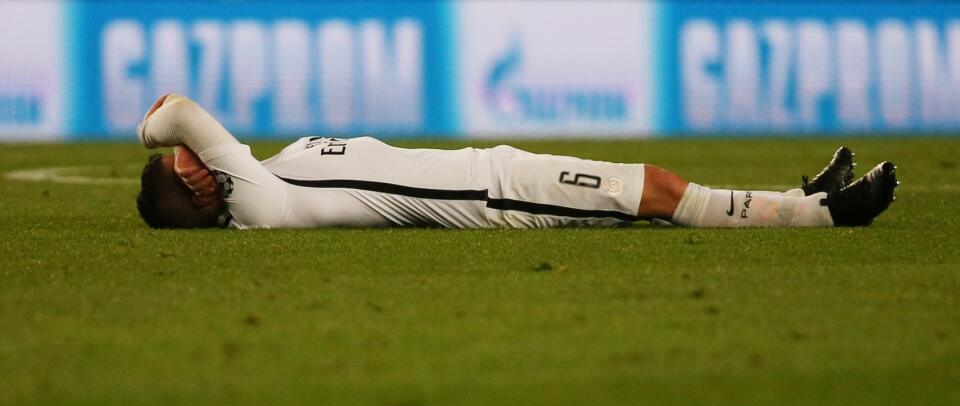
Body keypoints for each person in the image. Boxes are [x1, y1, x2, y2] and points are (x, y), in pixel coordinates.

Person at [136, 94, 898, 230]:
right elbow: (175, 112)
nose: (192, 163)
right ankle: (828, 215)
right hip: (493, 199)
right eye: (185, 176)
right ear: (200, 202)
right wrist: (159, 141)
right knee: (655, 192)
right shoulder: (259, 205)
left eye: (184, 164)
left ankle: (799, 199)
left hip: (489, 169)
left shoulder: (267, 171)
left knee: (654, 188)